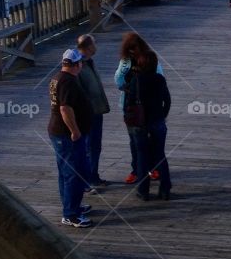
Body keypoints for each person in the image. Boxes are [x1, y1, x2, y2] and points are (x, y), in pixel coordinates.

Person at [47, 48, 94, 228]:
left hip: (58, 132)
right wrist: (75, 131)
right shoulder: (68, 82)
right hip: (66, 135)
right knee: (74, 173)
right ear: (76, 65)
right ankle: (71, 214)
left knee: (65, 173)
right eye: (80, 62)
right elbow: (65, 109)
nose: (82, 64)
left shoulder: (57, 77)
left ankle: (71, 205)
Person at [115, 32, 164, 183]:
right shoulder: (125, 61)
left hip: (148, 106)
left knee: (152, 139)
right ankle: (136, 169)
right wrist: (127, 87)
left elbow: (160, 78)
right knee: (134, 140)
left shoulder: (150, 58)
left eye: (134, 49)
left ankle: (154, 167)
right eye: (128, 50)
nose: (132, 53)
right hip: (130, 106)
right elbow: (118, 79)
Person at [126, 50, 172, 202]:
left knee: (142, 156)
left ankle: (143, 190)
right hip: (157, 121)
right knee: (160, 155)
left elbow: (129, 103)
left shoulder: (136, 80)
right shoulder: (160, 79)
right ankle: (165, 189)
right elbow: (168, 100)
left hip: (140, 124)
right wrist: (162, 115)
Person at [76, 33, 111, 190]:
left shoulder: (89, 62)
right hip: (89, 114)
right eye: (94, 44)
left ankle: (93, 175)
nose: (96, 46)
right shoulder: (79, 65)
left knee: (95, 145)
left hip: (97, 110)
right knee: (90, 146)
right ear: (89, 47)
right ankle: (89, 179)